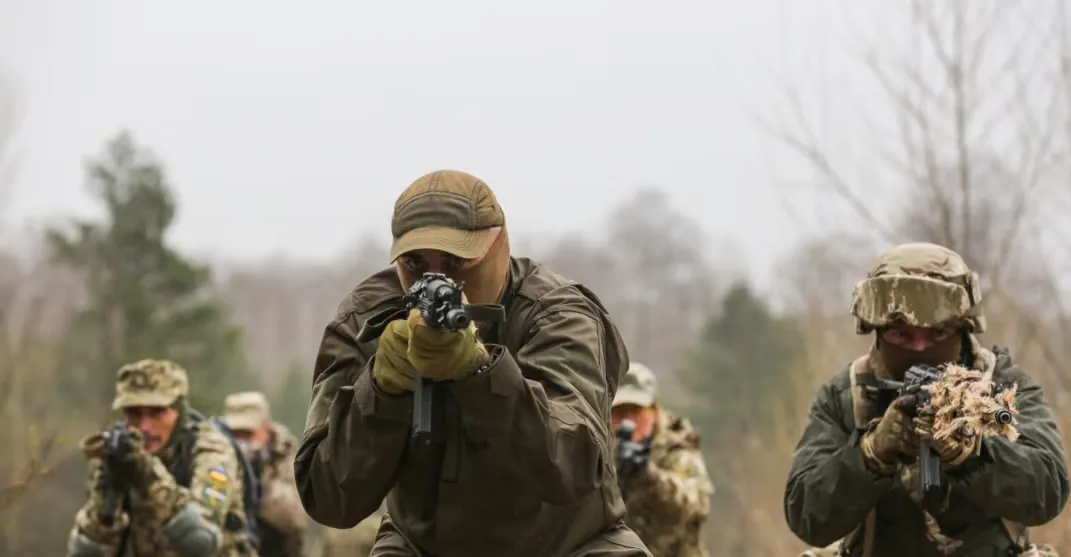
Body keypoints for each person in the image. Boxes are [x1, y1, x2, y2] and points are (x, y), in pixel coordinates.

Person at [294, 169, 651, 556]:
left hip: (572, 546)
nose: (435, 278)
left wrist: (481, 373)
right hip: (424, 547)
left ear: (498, 245)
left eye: (454, 260)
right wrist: (381, 392)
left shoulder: (559, 315)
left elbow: (573, 466)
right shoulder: (368, 318)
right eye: (415, 263)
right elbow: (328, 496)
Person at [785, 242, 1069, 557]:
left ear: (963, 327)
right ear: (876, 331)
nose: (919, 348)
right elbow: (806, 516)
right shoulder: (848, 396)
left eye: (937, 333)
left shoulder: (1002, 386)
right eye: (900, 334)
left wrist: (972, 453)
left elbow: (1048, 493)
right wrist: (872, 453)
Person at [67, 359, 256, 557]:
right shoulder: (119, 452)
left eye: (157, 413)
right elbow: (84, 551)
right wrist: (108, 497)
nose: (145, 426)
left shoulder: (211, 449)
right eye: (134, 414)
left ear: (180, 411)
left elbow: (200, 539)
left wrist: (147, 475)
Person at [610, 362, 714, 557]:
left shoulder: (678, 448)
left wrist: (647, 476)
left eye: (636, 411)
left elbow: (695, 505)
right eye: (620, 413)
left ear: (655, 411)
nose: (628, 422)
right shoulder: (602, 453)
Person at [221, 391, 308, 557]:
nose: (241, 442)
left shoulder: (284, 453)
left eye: (248, 434)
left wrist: (260, 476)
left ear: (266, 429)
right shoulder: (217, 451)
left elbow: (294, 517)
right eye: (235, 434)